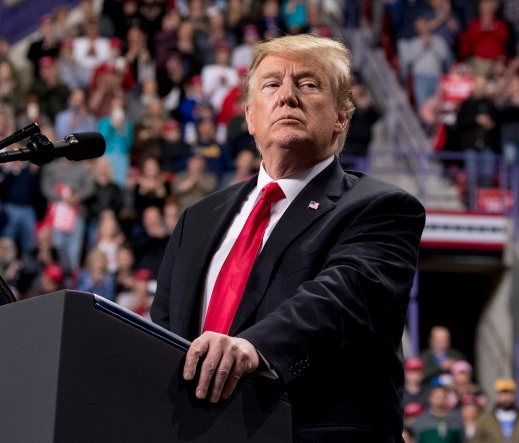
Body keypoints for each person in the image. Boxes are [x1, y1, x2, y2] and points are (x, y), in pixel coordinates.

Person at [150, 34, 425, 441]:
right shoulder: (198, 218)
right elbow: (165, 334)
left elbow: (338, 301)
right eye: (271, 84)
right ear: (249, 116)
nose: (288, 97)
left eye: (309, 84)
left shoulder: (382, 208)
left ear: (341, 117)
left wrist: (253, 347)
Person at [472, 378, 519, 443]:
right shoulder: (485, 418)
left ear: (514, 395)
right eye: (502, 393)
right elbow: (478, 440)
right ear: (497, 395)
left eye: (509, 393)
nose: (505, 398)